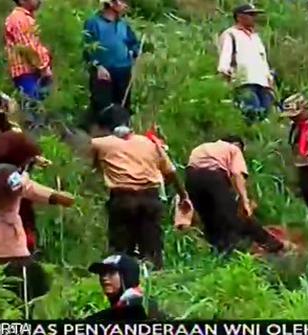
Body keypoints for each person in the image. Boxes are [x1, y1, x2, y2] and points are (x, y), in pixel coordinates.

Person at [0, 131, 74, 301]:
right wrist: (62, 196)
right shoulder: (14, 177)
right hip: (11, 249)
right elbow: (41, 192)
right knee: (28, 294)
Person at [88, 104, 189, 270]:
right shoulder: (150, 143)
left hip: (123, 200)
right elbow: (171, 172)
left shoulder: (99, 144)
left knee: (120, 251)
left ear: (104, 128)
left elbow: (91, 165)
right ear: (128, 123)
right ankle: (154, 281)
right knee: (152, 249)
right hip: (150, 199)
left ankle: (123, 282)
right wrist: (184, 196)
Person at [185, 136, 288, 254]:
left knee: (210, 220)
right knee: (231, 218)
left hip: (192, 180)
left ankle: (218, 253)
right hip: (213, 178)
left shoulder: (202, 148)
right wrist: (244, 201)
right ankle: (270, 245)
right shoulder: (233, 150)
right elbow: (237, 174)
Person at [83, 0, 140, 133]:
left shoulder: (123, 25)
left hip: (123, 70)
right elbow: (87, 47)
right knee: (102, 107)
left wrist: (134, 51)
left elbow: (133, 43)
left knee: (123, 106)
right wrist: (98, 66)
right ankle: (100, 138)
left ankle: (122, 138)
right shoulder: (93, 23)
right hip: (103, 71)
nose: (125, 5)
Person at [217, 4, 275, 125]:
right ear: (239, 17)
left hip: (262, 81)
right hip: (244, 81)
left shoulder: (255, 37)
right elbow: (226, 54)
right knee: (251, 113)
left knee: (265, 116)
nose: (254, 18)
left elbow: (262, 59)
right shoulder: (231, 34)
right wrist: (224, 71)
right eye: (250, 15)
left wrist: (269, 77)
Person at [5, 0, 52, 127]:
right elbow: (29, 48)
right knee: (34, 112)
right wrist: (43, 67)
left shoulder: (28, 18)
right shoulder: (18, 18)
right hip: (27, 74)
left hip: (34, 73)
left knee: (42, 112)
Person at [86, 253, 163, 320]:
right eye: (102, 273)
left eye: (111, 272)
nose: (104, 277)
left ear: (127, 276)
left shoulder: (139, 307)